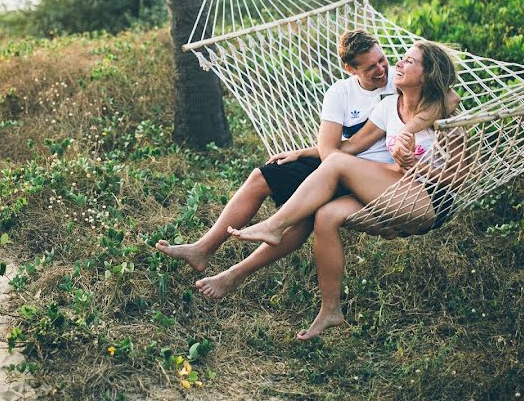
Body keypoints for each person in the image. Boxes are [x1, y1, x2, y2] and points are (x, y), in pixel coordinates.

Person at [155, 30, 455, 305]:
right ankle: (204, 248)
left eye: (383, 60)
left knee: (308, 213)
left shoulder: (399, 82)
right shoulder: (342, 93)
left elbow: (448, 97)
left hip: (379, 178)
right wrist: (303, 153)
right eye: (370, 67)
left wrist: (410, 130)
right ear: (351, 70)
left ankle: (241, 266)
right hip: (339, 164)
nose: (382, 70)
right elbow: (333, 150)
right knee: (262, 176)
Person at [228, 40, 467, 339]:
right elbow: (351, 146)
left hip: (430, 200)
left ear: (428, 74)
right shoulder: (389, 106)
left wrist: (415, 166)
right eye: (402, 59)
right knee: (326, 215)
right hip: (397, 186)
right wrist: (305, 152)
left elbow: (460, 181)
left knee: (339, 165)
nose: (398, 65)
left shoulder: (448, 117)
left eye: (409, 61)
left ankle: (275, 226)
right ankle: (331, 311)